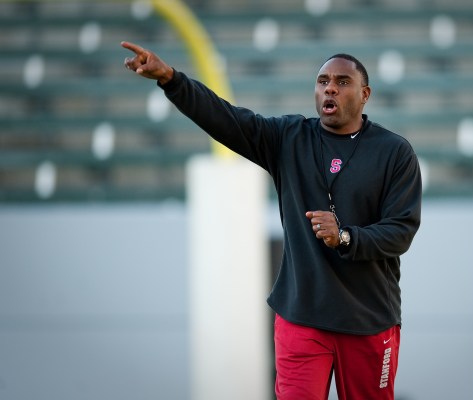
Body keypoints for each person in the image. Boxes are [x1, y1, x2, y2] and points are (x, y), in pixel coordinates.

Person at [122, 40, 421, 400]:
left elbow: (400, 230)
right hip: (301, 316)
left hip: (369, 319)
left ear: (365, 93)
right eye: (323, 80)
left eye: (342, 82)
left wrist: (345, 237)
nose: (330, 88)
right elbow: (226, 118)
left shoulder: (394, 151)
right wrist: (171, 80)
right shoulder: (289, 138)